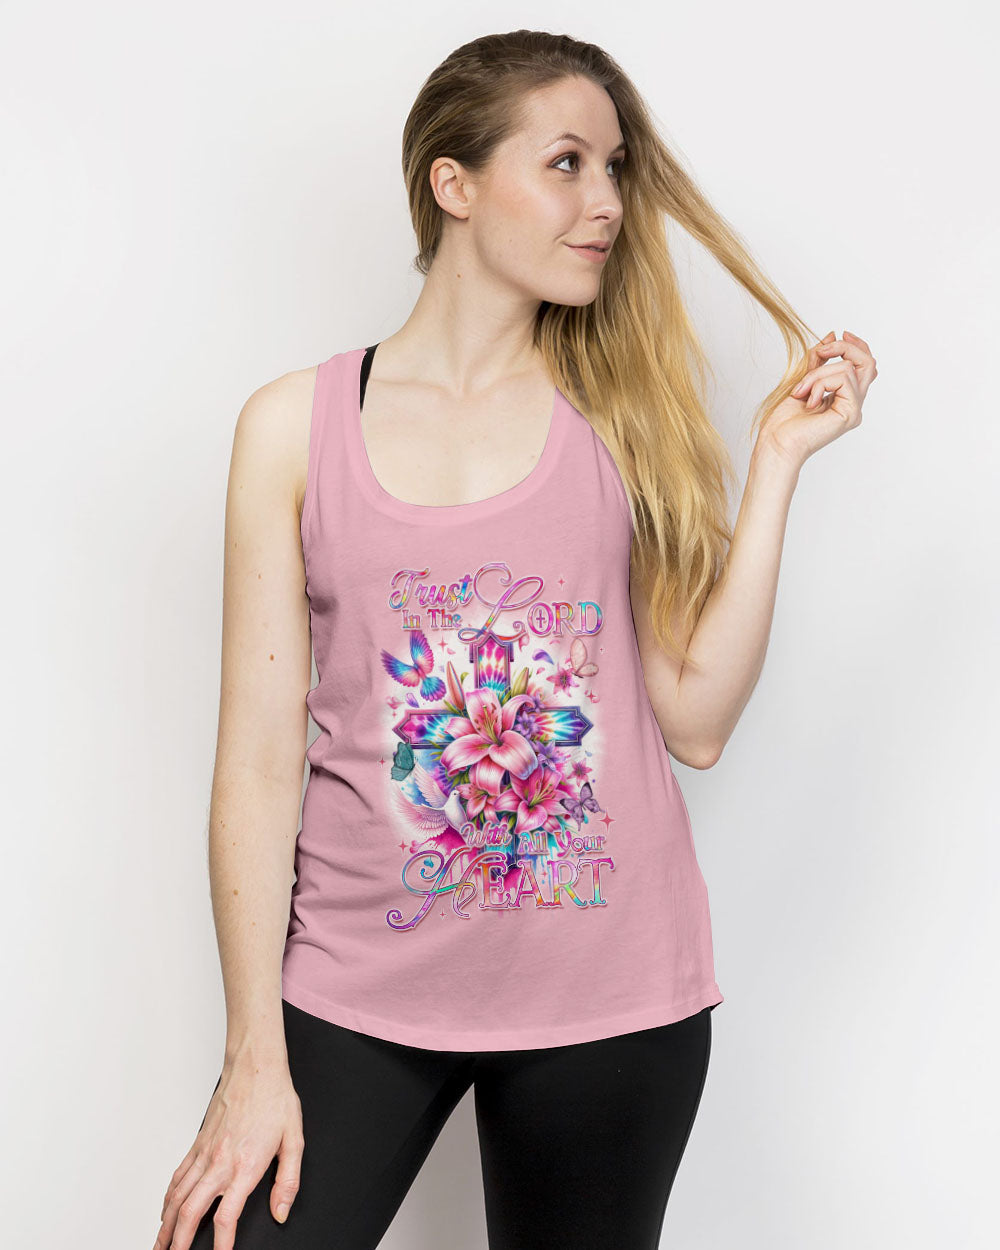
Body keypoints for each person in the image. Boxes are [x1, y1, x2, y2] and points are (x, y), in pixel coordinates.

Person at [152, 28, 877, 1250]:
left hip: (611, 1003)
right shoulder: (291, 427)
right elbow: (259, 763)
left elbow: (696, 718)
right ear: (455, 182)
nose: (607, 203)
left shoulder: (622, 418)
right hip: (353, 991)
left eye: (615, 168)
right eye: (567, 163)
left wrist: (775, 467)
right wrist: (253, 1058)